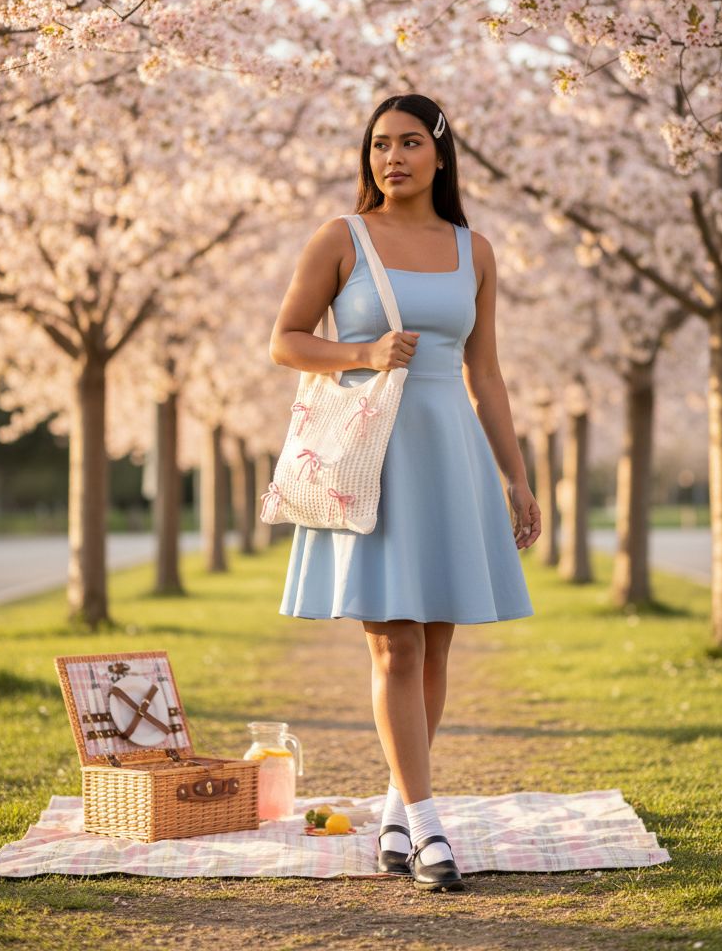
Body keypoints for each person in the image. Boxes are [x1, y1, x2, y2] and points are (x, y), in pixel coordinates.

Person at [269, 94, 541, 892]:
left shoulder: (474, 250)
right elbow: (284, 340)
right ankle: (428, 828)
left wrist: (516, 477)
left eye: (411, 142)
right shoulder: (340, 238)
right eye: (380, 144)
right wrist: (364, 351)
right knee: (395, 641)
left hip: (448, 454)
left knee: (437, 644)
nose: (393, 157)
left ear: (441, 154)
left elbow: (484, 374)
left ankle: (397, 804)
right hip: (372, 457)